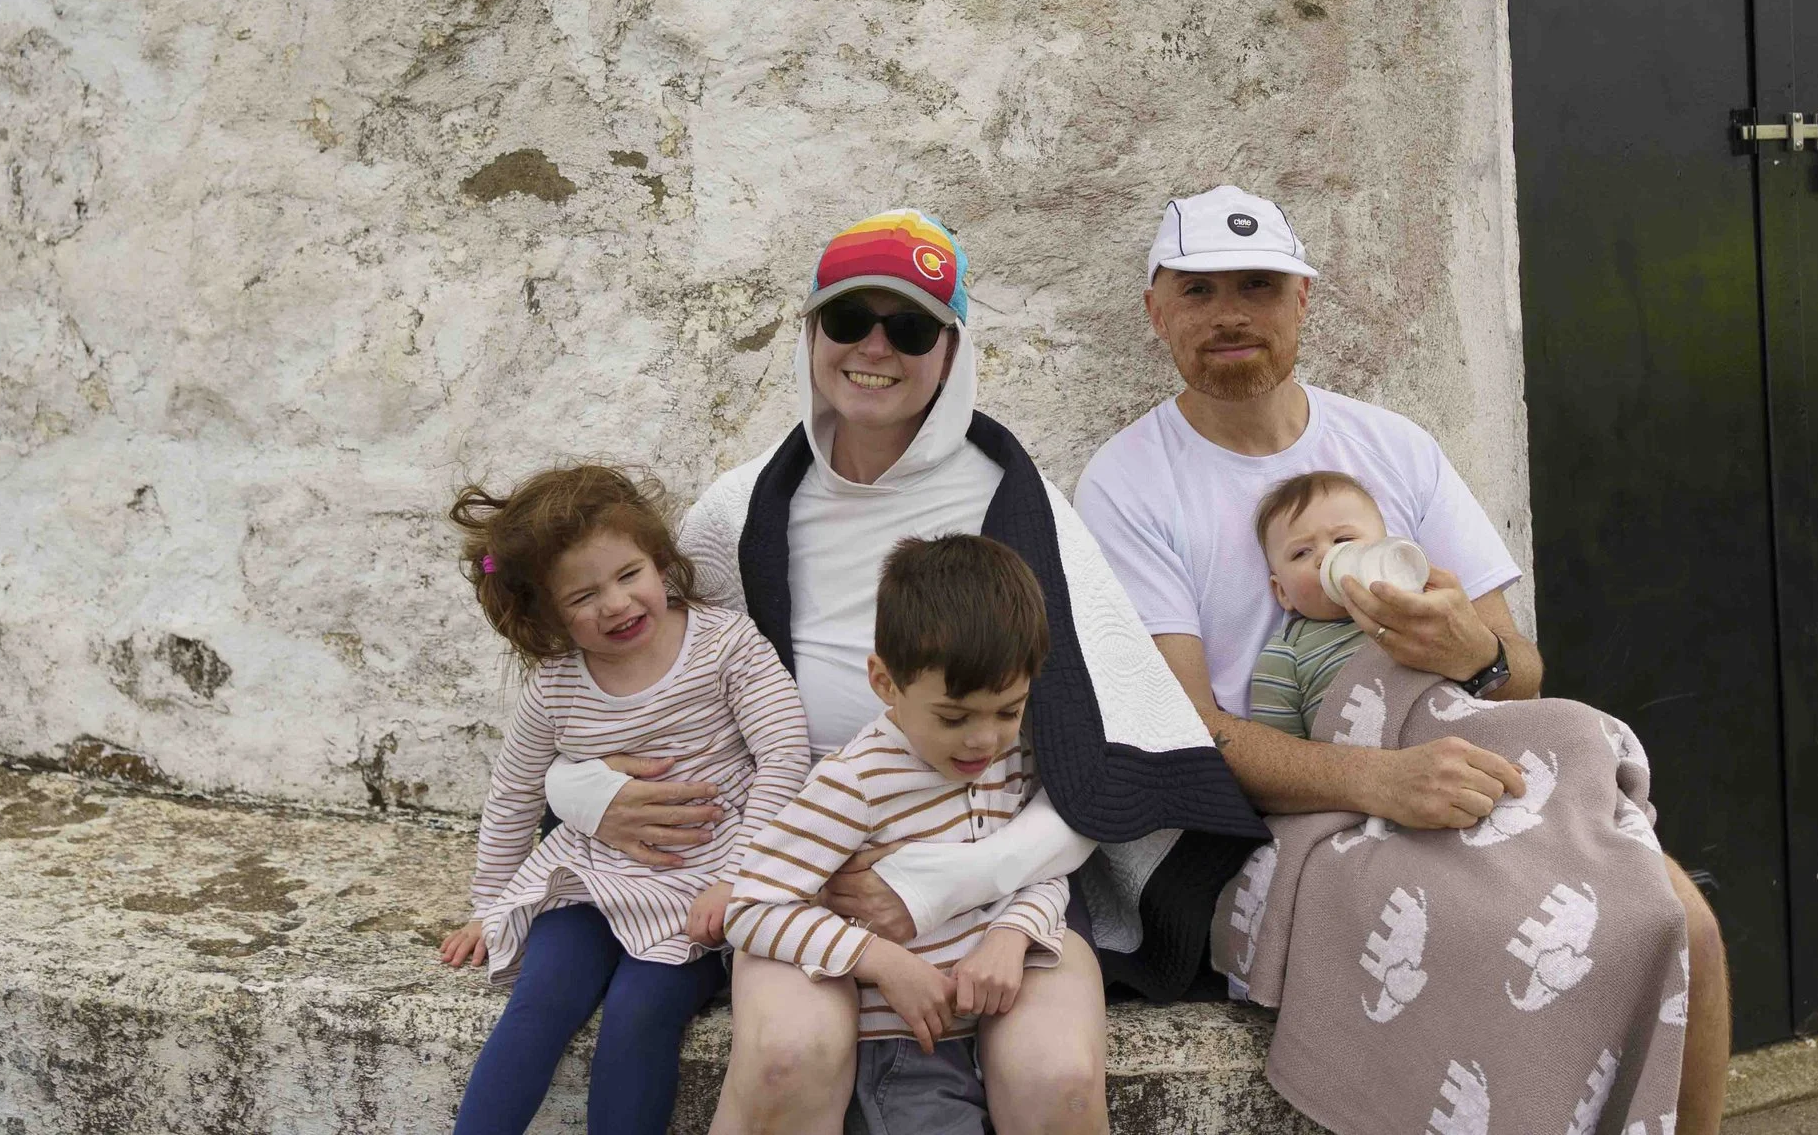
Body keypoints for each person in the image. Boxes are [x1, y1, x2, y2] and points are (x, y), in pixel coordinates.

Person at [538, 209, 1261, 1135]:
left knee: (1057, 1075)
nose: (875, 348)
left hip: (1003, 860)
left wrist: (948, 883)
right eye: (849, 320)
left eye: (911, 328)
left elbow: (1106, 752)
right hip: (808, 863)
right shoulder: (738, 511)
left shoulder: (1019, 504)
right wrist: (581, 789)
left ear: (952, 348)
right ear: (811, 333)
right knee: (789, 1055)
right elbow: (629, 679)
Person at [1074, 184, 1733, 1135]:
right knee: (1493, 936)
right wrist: (1381, 780)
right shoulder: (1130, 482)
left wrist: (1474, 651)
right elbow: (1186, 737)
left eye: (1258, 286)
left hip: (1443, 759)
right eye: (1198, 291)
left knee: (1685, 923)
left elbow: (1520, 672)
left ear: (1302, 300)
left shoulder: (1392, 447)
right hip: (1255, 817)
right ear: (1156, 312)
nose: (1229, 315)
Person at [437, 465, 811, 1135]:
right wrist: (488, 908)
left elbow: (784, 754)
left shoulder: (725, 644)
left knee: (641, 1011)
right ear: (547, 613)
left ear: (660, 560)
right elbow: (514, 791)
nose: (615, 604)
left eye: (629, 574)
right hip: (590, 879)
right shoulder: (556, 685)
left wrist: (741, 879)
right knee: (541, 1001)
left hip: (701, 888)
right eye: (583, 595)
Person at [727, 534, 1072, 1135]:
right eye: (954, 717)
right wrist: (881, 961)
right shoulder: (856, 781)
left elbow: (1041, 867)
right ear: (885, 682)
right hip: (907, 1053)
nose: (984, 740)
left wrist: (1013, 934)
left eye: (1008, 710)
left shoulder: (1013, 757)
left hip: (990, 1031)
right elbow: (750, 907)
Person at [1245, 470, 1416, 739]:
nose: (1326, 555)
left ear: (1382, 553)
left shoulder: (1413, 608)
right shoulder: (1285, 657)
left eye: (1343, 541)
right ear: (1282, 592)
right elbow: (1280, 751)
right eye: (1302, 552)